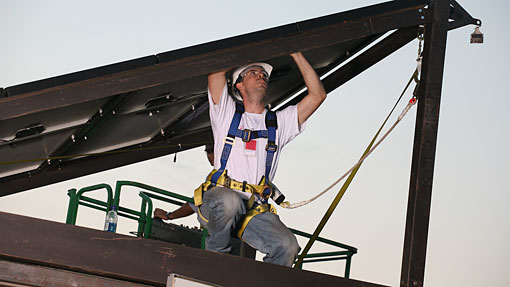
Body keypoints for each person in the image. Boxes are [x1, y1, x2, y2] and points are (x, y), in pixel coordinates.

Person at [195, 52, 326, 266]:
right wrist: (252, 48)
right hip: (219, 201)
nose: (261, 76)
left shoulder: (278, 123)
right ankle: (214, 261)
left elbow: (317, 95)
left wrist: (297, 53)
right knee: (230, 201)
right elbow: (215, 75)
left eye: (264, 74)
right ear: (238, 85)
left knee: (288, 246)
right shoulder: (226, 113)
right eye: (252, 73)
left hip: (253, 209)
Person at [154, 144, 214, 220]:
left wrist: (169, 215)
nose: (209, 156)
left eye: (213, 151)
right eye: (208, 152)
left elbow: (197, 202)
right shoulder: (214, 175)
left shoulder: (219, 177)